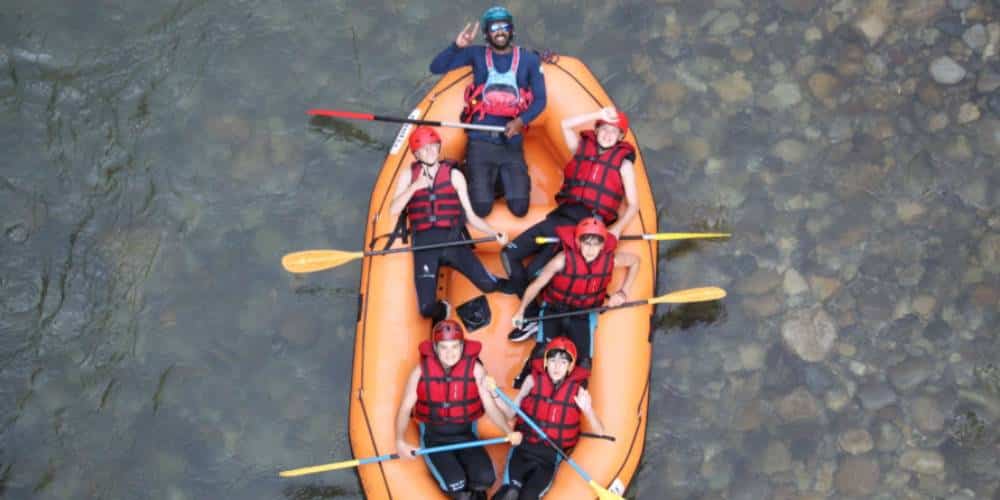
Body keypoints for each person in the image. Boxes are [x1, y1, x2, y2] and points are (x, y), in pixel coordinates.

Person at [500, 107, 639, 307]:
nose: (608, 135)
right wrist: (597, 115)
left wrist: (616, 230)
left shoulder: (623, 165)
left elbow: (634, 205)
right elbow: (565, 124)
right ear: (597, 130)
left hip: (585, 228)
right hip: (560, 217)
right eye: (604, 129)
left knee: (533, 273)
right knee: (508, 253)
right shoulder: (581, 148)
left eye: (614, 132)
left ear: (620, 138)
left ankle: (528, 312)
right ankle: (528, 307)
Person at [429, 6, 547, 218]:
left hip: (511, 142)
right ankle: (475, 175)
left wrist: (521, 120)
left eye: (504, 27)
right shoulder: (476, 54)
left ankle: (500, 180)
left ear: (511, 31)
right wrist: (457, 46)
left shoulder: (529, 60)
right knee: (481, 209)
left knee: (520, 209)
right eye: (494, 28)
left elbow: (540, 100)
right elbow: (436, 67)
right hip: (480, 141)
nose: (500, 31)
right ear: (486, 34)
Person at [390, 126, 510, 324]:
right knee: (426, 309)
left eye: (433, 147)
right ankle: (444, 308)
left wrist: (493, 232)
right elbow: (394, 209)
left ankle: (518, 286)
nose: (429, 152)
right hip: (425, 247)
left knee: (488, 285)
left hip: (452, 242)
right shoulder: (408, 176)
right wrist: (413, 187)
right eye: (423, 150)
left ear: (438, 147)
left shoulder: (454, 176)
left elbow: (471, 216)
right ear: (417, 154)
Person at [396, 320, 523, 499]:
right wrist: (400, 440)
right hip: (435, 440)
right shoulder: (420, 372)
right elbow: (404, 408)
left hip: (466, 436)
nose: (450, 354)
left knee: (486, 479)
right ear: (435, 348)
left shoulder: (476, 371)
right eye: (444, 348)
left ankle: (476, 494)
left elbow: (491, 408)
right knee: (457, 485)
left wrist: (508, 431)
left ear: (462, 347)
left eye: (455, 347)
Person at [510, 217, 639, 373]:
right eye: (587, 243)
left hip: (583, 313)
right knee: (541, 356)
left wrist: (624, 291)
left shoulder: (611, 260)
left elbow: (635, 262)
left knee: (583, 364)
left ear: (602, 245)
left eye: (596, 244)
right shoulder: (561, 260)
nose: (590, 249)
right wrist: (521, 310)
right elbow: (537, 285)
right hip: (554, 308)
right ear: (578, 243)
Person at [488, 337, 606, 499]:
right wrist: (494, 395)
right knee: (509, 493)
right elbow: (510, 413)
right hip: (523, 448)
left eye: (563, 362)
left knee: (528, 497)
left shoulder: (578, 392)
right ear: (545, 363)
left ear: (570, 367)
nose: (557, 366)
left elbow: (600, 432)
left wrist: (588, 410)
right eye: (552, 360)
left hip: (549, 456)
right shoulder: (531, 381)